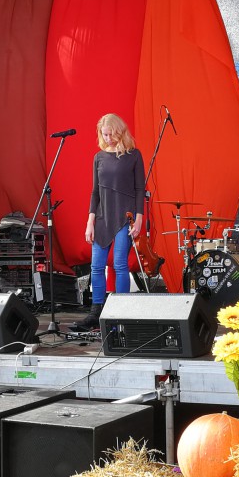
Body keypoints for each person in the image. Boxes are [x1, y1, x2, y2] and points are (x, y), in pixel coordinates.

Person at [73, 114, 145, 332]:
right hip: (102, 217)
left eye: (111, 134)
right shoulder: (99, 157)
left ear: (119, 132)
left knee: (120, 264)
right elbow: (95, 192)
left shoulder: (134, 155)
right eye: (104, 134)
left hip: (125, 216)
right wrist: (90, 221)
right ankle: (96, 313)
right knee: (96, 267)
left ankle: (121, 313)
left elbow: (140, 189)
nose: (108, 138)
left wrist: (139, 219)